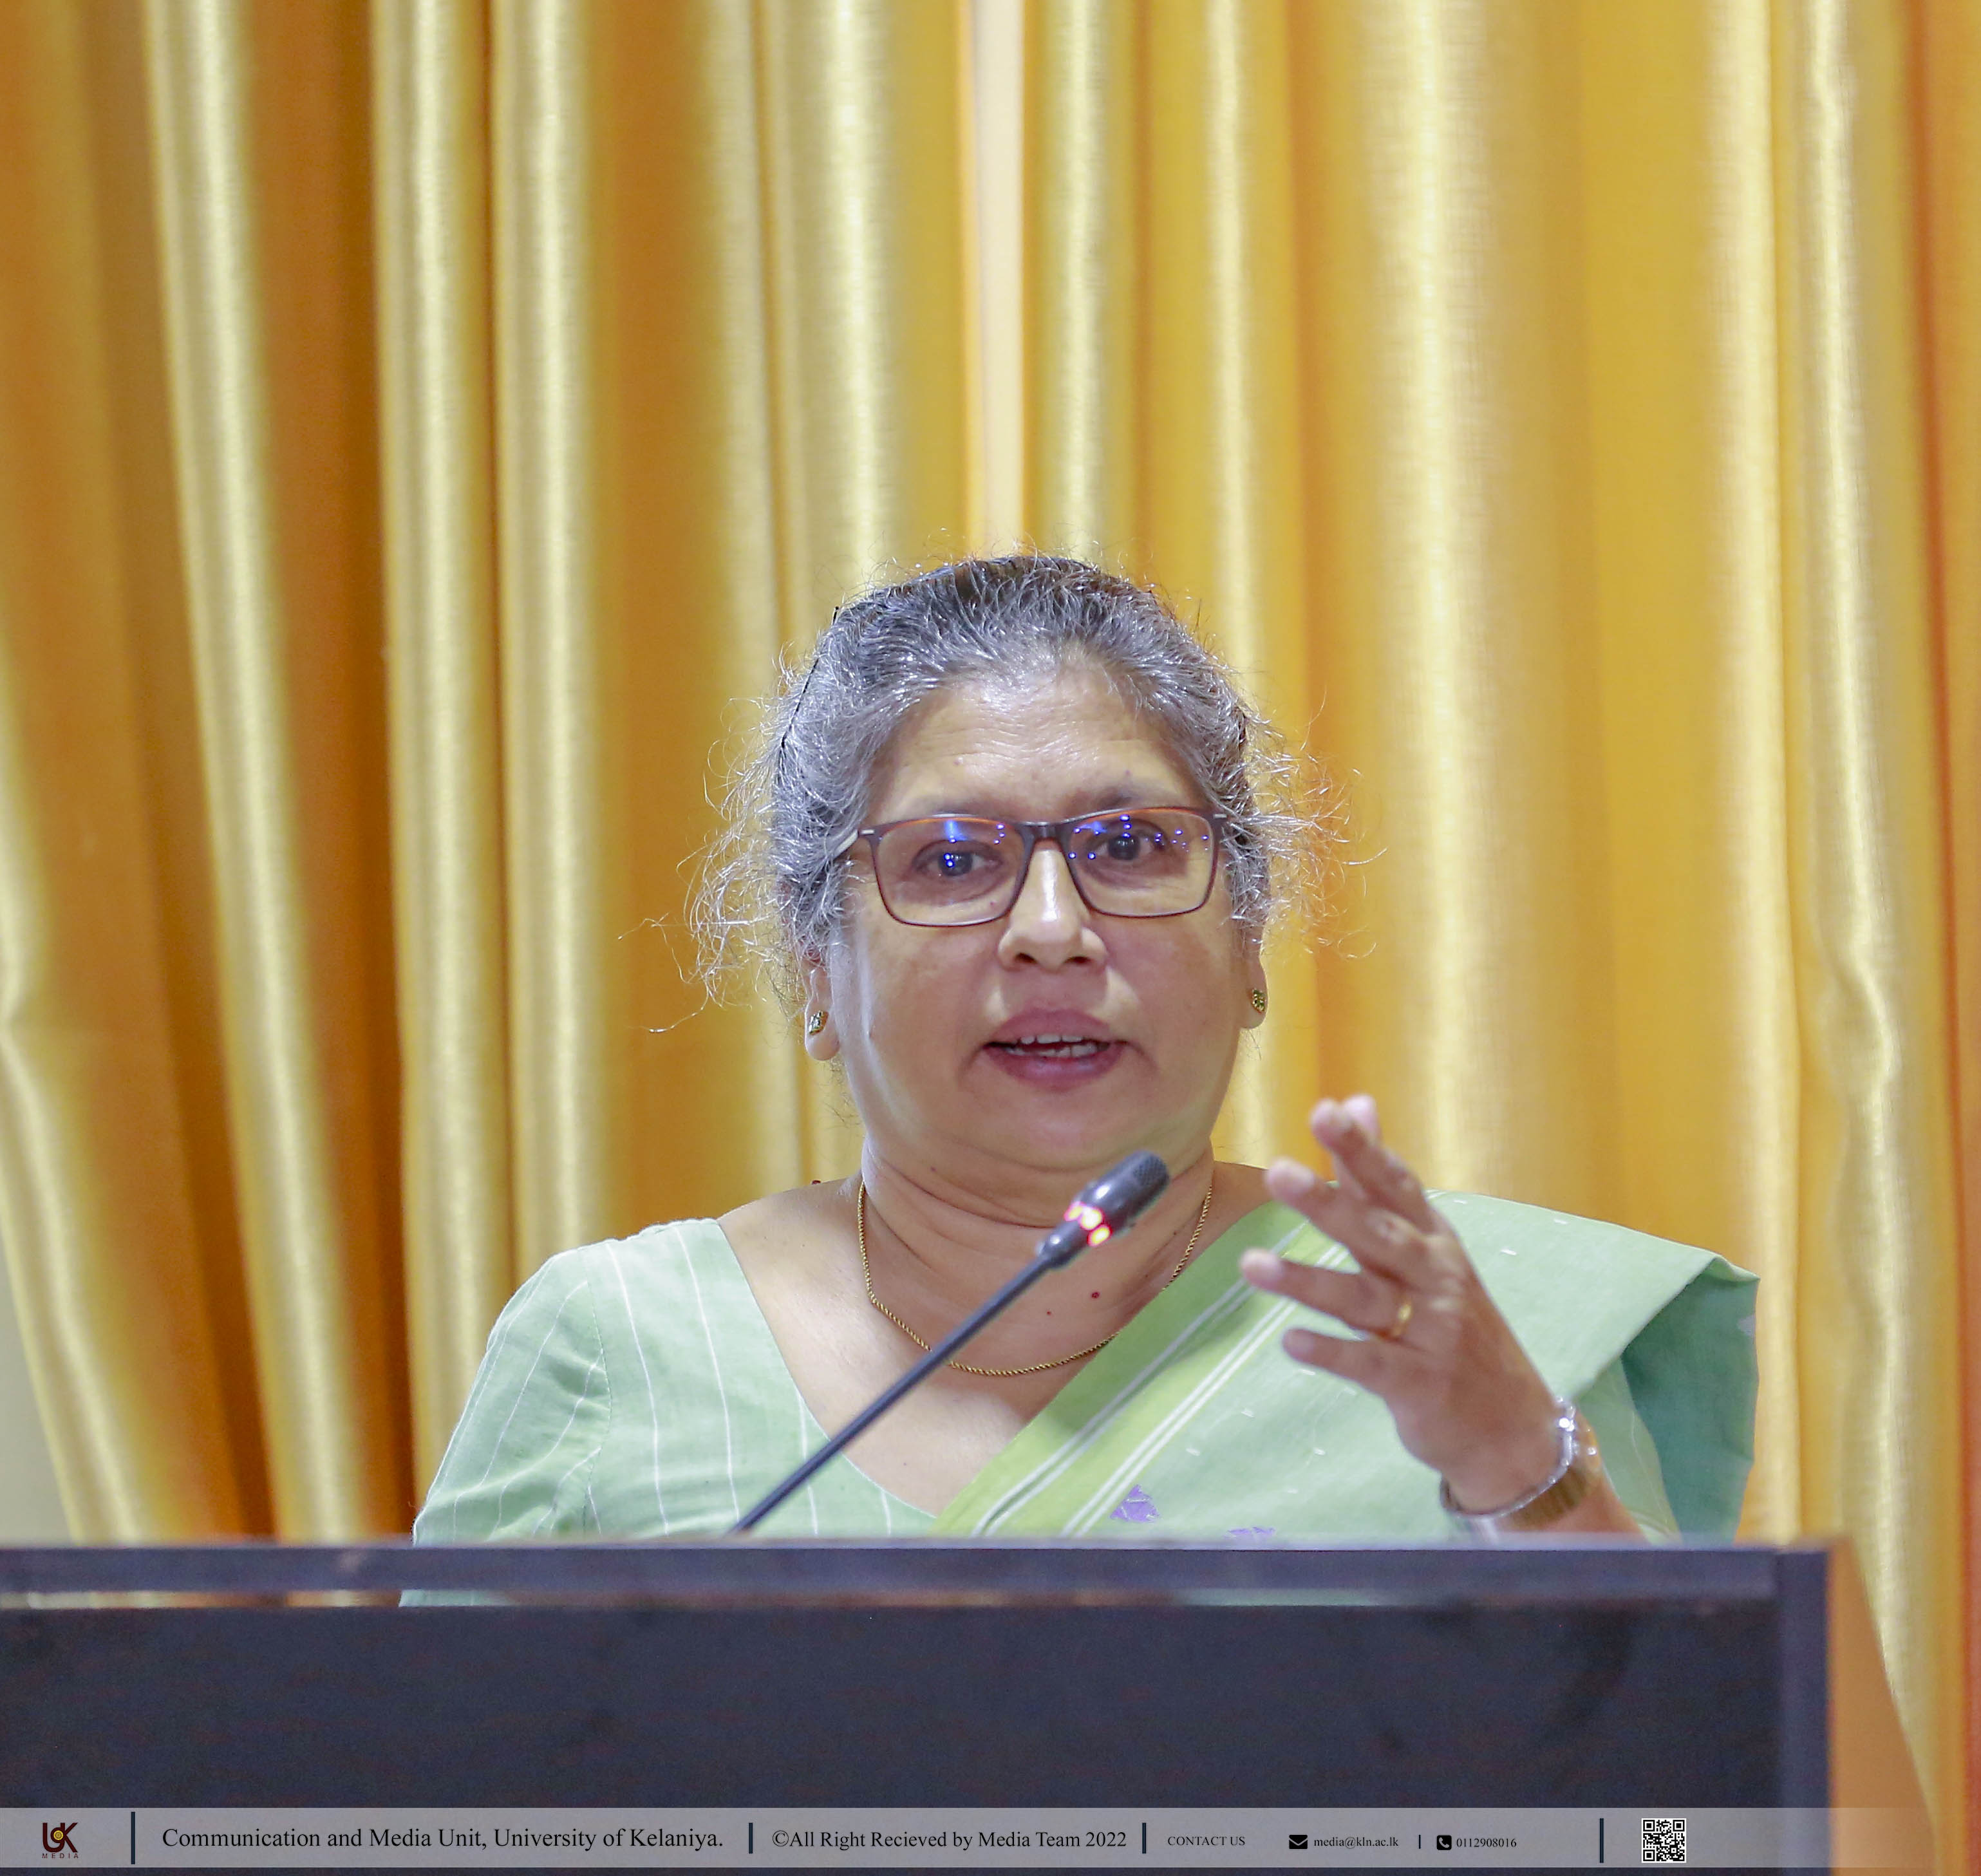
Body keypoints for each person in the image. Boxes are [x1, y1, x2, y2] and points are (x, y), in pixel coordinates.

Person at [414, 556, 1755, 1545]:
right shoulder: (618, 1346)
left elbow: (1681, 1803)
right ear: (818, 973)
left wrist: (1520, 1466)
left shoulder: (1454, 1331)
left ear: (1249, 944)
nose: (1052, 930)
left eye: (1129, 846)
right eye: (951, 859)